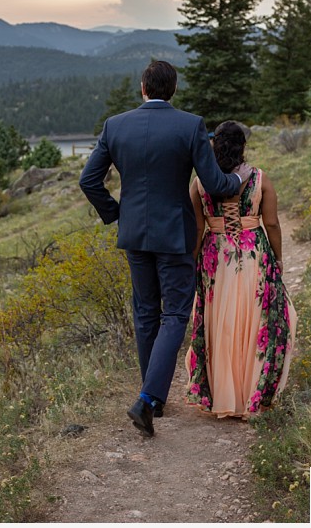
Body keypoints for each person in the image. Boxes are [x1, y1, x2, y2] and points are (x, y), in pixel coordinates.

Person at [79, 60, 250, 437]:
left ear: (144, 87)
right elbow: (215, 183)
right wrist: (239, 177)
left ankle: (152, 399)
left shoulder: (115, 125)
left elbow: (88, 180)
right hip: (174, 234)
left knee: (144, 313)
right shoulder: (190, 125)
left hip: (135, 233)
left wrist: (117, 213)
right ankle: (147, 399)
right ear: (172, 90)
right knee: (174, 314)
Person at [185, 120, 296, 419]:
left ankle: (222, 392)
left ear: (214, 146)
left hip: (215, 256)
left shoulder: (200, 182)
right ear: (243, 146)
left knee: (220, 323)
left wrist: (193, 261)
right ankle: (252, 393)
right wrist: (278, 257)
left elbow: (197, 227)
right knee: (253, 321)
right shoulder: (260, 178)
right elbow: (271, 223)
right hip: (253, 256)